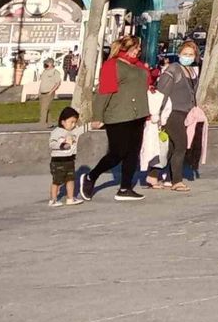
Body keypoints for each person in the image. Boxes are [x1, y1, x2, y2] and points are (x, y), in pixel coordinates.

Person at [82, 35, 150, 201]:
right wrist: (97, 116)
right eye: (134, 48)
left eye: (138, 49)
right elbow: (103, 92)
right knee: (117, 153)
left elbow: (146, 82)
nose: (138, 51)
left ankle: (125, 188)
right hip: (118, 115)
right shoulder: (112, 65)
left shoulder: (139, 66)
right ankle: (91, 176)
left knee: (133, 153)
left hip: (138, 114)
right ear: (124, 48)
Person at [153, 40, 199, 189]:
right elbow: (162, 91)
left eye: (191, 54)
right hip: (172, 113)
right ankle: (177, 181)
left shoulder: (192, 72)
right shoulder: (174, 69)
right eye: (185, 54)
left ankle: (154, 174)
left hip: (186, 114)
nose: (188, 56)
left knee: (171, 147)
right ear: (179, 54)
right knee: (181, 145)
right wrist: (158, 113)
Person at [48, 106, 83, 207]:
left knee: (70, 179)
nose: (73, 125)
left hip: (70, 160)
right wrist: (62, 145)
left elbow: (82, 129)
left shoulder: (74, 131)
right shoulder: (56, 132)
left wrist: (92, 125)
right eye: (71, 122)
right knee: (57, 181)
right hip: (58, 161)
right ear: (63, 122)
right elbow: (52, 144)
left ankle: (70, 198)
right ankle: (53, 199)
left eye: (75, 122)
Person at [36, 58, 64, 126]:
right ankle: (49, 123)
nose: (45, 64)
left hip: (49, 92)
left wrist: (51, 92)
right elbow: (42, 82)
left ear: (51, 64)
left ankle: (42, 123)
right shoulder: (44, 71)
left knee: (44, 109)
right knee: (46, 108)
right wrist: (39, 92)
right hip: (42, 92)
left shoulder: (55, 72)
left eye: (46, 63)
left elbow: (57, 83)